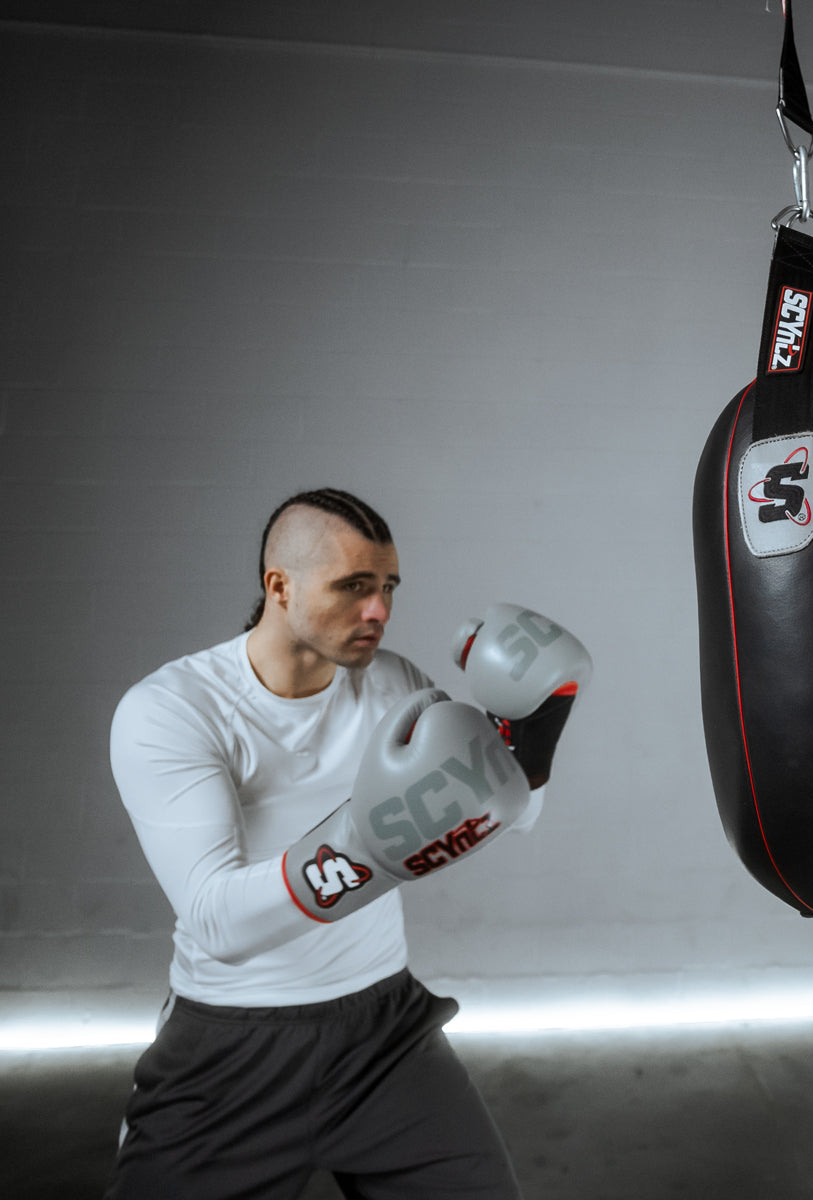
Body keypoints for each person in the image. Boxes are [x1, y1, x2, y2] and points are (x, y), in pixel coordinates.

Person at [106, 487, 590, 1199]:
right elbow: (215, 921)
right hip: (233, 1041)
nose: (379, 612)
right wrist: (364, 851)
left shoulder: (393, 685)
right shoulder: (174, 710)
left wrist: (534, 737)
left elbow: (509, 815)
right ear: (280, 587)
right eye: (354, 586)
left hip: (384, 1034)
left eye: (388, 587)